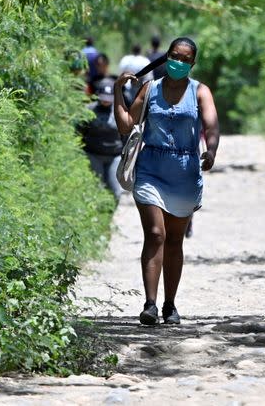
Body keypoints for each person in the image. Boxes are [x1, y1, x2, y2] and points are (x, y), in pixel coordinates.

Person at [113, 37, 220, 325]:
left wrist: (210, 151)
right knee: (156, 234)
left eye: (185, 59)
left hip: (185, 171)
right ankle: (150, 304)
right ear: (166, 57)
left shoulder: (200, 92)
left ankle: (169, 305)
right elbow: (126, 125)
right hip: (150, 170)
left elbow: (211, 125)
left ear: (192, 63)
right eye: (175, 56)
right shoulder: (150, 89)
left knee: (174, 240)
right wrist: (116, 91)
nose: (179, 62)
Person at [78, 78, 124, 199]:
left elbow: (127, 133)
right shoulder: (88, 110)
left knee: (115, 191)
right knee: (96, 189)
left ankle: (111, 214)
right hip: (93, 155)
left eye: (109, 97)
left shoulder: (120, 110)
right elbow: (79, 131)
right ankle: (98, 216)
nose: (106, 101)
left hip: (115, 156)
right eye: (103, 97)